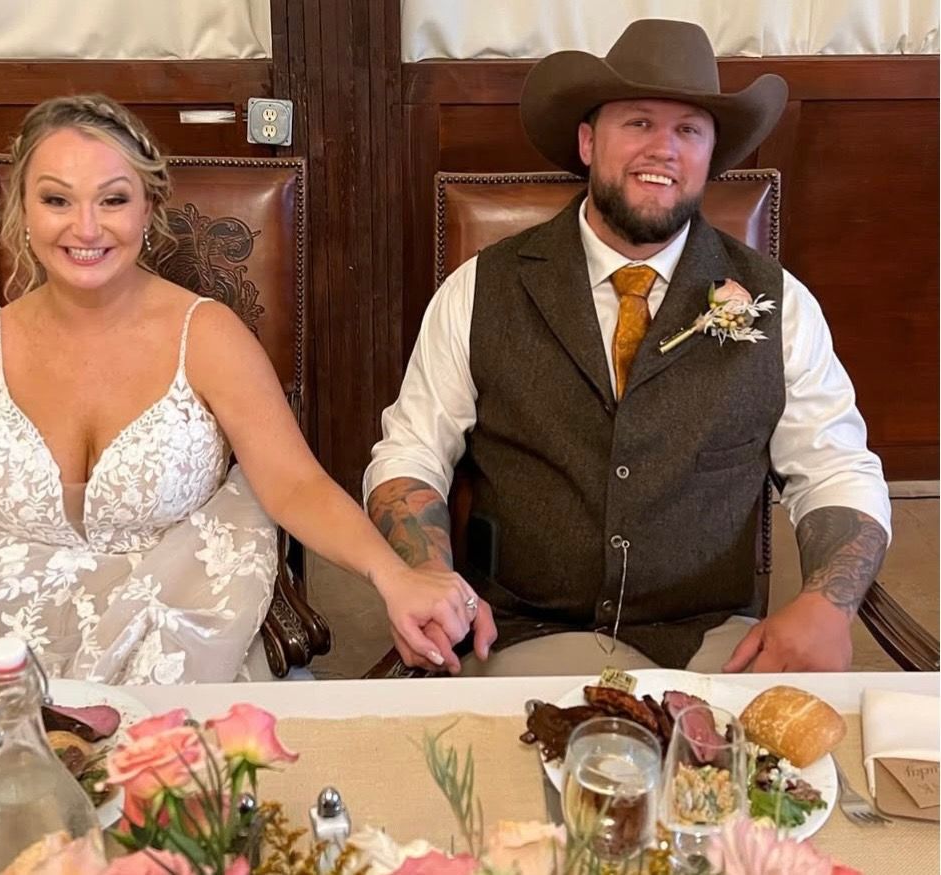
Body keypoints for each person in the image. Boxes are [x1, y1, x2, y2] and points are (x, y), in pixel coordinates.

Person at [0, 94, 494, 692]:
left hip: (158, 599)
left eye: (112, 199)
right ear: (21, 211)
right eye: (57, 199)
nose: (85, 228)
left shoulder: (204, 336)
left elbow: (294, 482)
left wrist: (394, 576)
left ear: (149, 209)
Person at [365, 20, 890, 677]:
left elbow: (837, 468)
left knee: (771, 779)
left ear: (710, 155)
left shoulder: (781, 306)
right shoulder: (478, 291)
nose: (664, 149)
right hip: (524, 635)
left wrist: (828, 603)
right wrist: (424, 569)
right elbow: (411, 449)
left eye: (689, 130)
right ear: (588, 141)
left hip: (711, 642)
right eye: (639, 123)